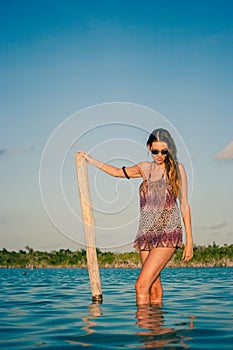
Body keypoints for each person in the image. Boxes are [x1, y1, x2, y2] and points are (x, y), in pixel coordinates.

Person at [76, 128, 193, 306]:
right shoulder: (144, 168)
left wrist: (190, 241)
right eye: (155, 151)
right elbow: (116, 172)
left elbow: (184, 204)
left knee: (140, 285)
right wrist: (90, 160)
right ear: (148, 147)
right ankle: (156, 331)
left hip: (168, 232)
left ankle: (144, 331)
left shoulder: (177, 169)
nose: (160, 155)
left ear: (169, 149)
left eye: (164, 151)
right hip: (146, 234)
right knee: (153, 287)